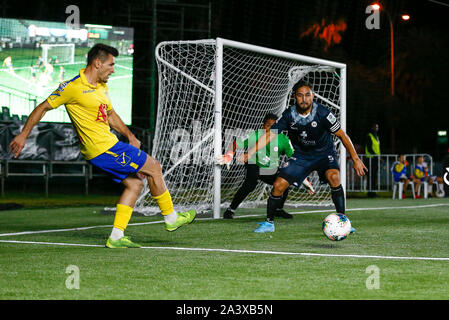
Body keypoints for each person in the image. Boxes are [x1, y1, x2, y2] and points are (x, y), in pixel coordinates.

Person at [9, 43, 196, 248]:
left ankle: (116, 237)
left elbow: (110, 115)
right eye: (111, 65)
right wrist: (23, 135)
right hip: (102, 148)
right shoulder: (71, 87)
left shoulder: (101, 87)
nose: (113, 69)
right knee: (155, 167)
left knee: (135, 184)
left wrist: (129, 135)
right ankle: (171, 218)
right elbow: (43, 107)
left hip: (108, 146)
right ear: (97, 63)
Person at [242, 80, 367, 233]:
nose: (304, 99)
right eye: (300, 95)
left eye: (307, 95)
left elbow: (342, 135)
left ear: (313, 96)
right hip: (301, 156)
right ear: (295, 97)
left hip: (324, 153)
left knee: (334, 177)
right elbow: (270, 135)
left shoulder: (323, 113)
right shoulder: (289, 114)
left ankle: (343, 221)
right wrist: (251, 152)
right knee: (278, 185)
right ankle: (269, 223)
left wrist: (355, 158)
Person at [219, 113, 315, 220]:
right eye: (269, 126)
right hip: (254, 163)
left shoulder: (283, 139)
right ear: (263, 126)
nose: (272, 129)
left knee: (284, 181)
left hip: (270, 169)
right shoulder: (255, 135)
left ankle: (278, 210)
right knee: (250, 184)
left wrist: (303, 179)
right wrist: (229, 155)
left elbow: (295, 160)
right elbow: (235, 143)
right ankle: (230, 210)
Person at [364, 123, 380, 197]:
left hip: (375, 159)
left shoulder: (376, 137)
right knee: (370, 176)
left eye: (377, 127)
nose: (376, 128)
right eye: (375, 127)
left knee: (374, 176)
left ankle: (373, 192)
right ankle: (369, 192)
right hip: (370, 159)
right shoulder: (369, 136)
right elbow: (369, 148)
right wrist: (376, 156)